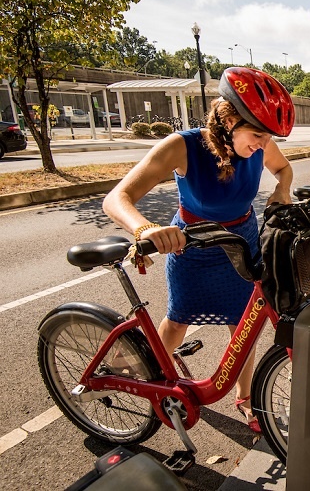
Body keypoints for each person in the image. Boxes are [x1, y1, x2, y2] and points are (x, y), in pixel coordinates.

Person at [102, 67, 294, 433]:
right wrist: (147, 228)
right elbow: (117, 198)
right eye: (256, 135)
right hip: (192, 245)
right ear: (228, 119)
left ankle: (246, 395)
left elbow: (283, 170)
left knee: (244, 324)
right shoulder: (183, 145)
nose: (262, 144)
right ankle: (151, 374)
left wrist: (282, 191)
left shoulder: (261, 143)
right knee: (177, 319)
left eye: (266, 137)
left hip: (242, 240)